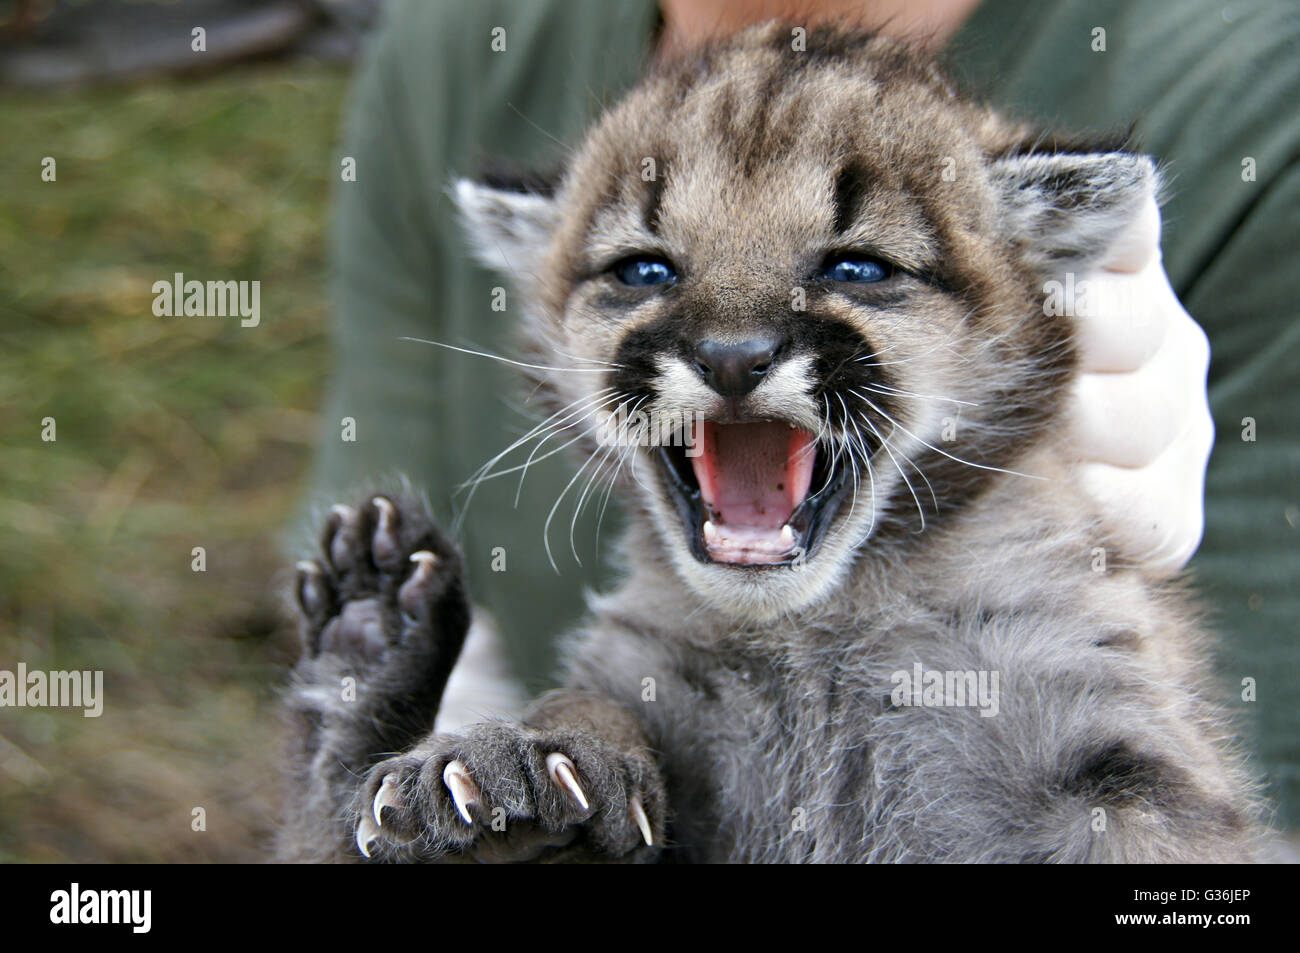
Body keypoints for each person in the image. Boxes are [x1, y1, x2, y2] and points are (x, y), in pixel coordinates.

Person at [303, 0, 1299, 831]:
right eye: (643, 270)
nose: (731, 346)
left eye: (857, 264)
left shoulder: (1252, 96)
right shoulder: (453, 46)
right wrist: (438, 779)